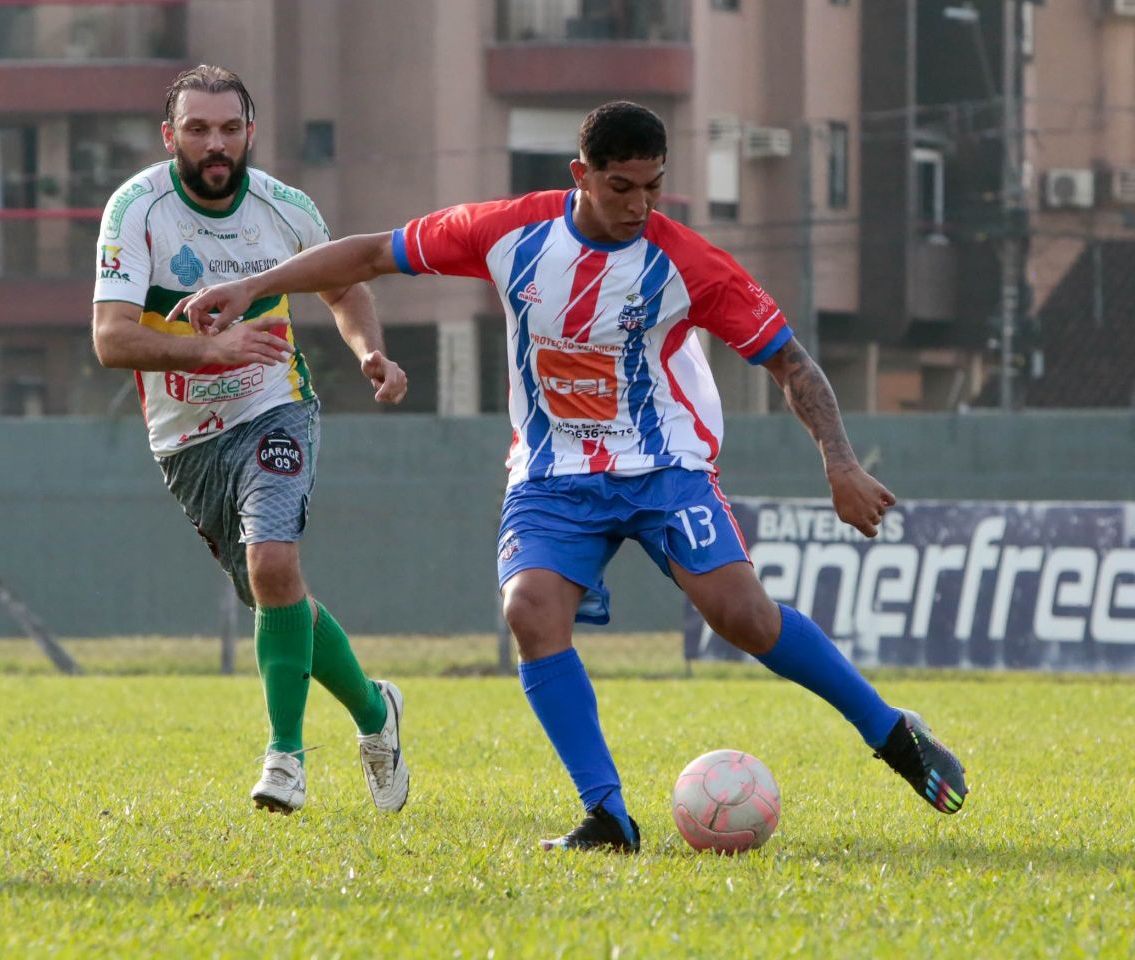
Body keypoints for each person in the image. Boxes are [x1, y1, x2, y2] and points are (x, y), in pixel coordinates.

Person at [173, 101, 967, 850]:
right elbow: (375, 253)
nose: (638, 204)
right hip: (553, 473)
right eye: (621, 186)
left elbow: (790, 362)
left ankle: (891, 732)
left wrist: (840, 460)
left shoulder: (689, 264)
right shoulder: (508, 232)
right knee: (529, 610)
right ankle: (606, 814)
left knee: (743, 617)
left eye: (654, 186)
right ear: (580, 174)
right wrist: (253, 286)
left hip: (665, 467)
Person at [92, 65, 410, 815]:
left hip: (277, 407)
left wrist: (369, 350)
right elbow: (111, 339)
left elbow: (344, 287)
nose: (215, 145)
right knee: (276, 592)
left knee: (273, 562)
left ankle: (285, 759)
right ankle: (375, 713)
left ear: (250, 134)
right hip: (185, 442)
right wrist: (207, 351)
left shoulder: (286, 208)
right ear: (170, 136)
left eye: (230, 129)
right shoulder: (137, 210)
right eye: (198, 129)